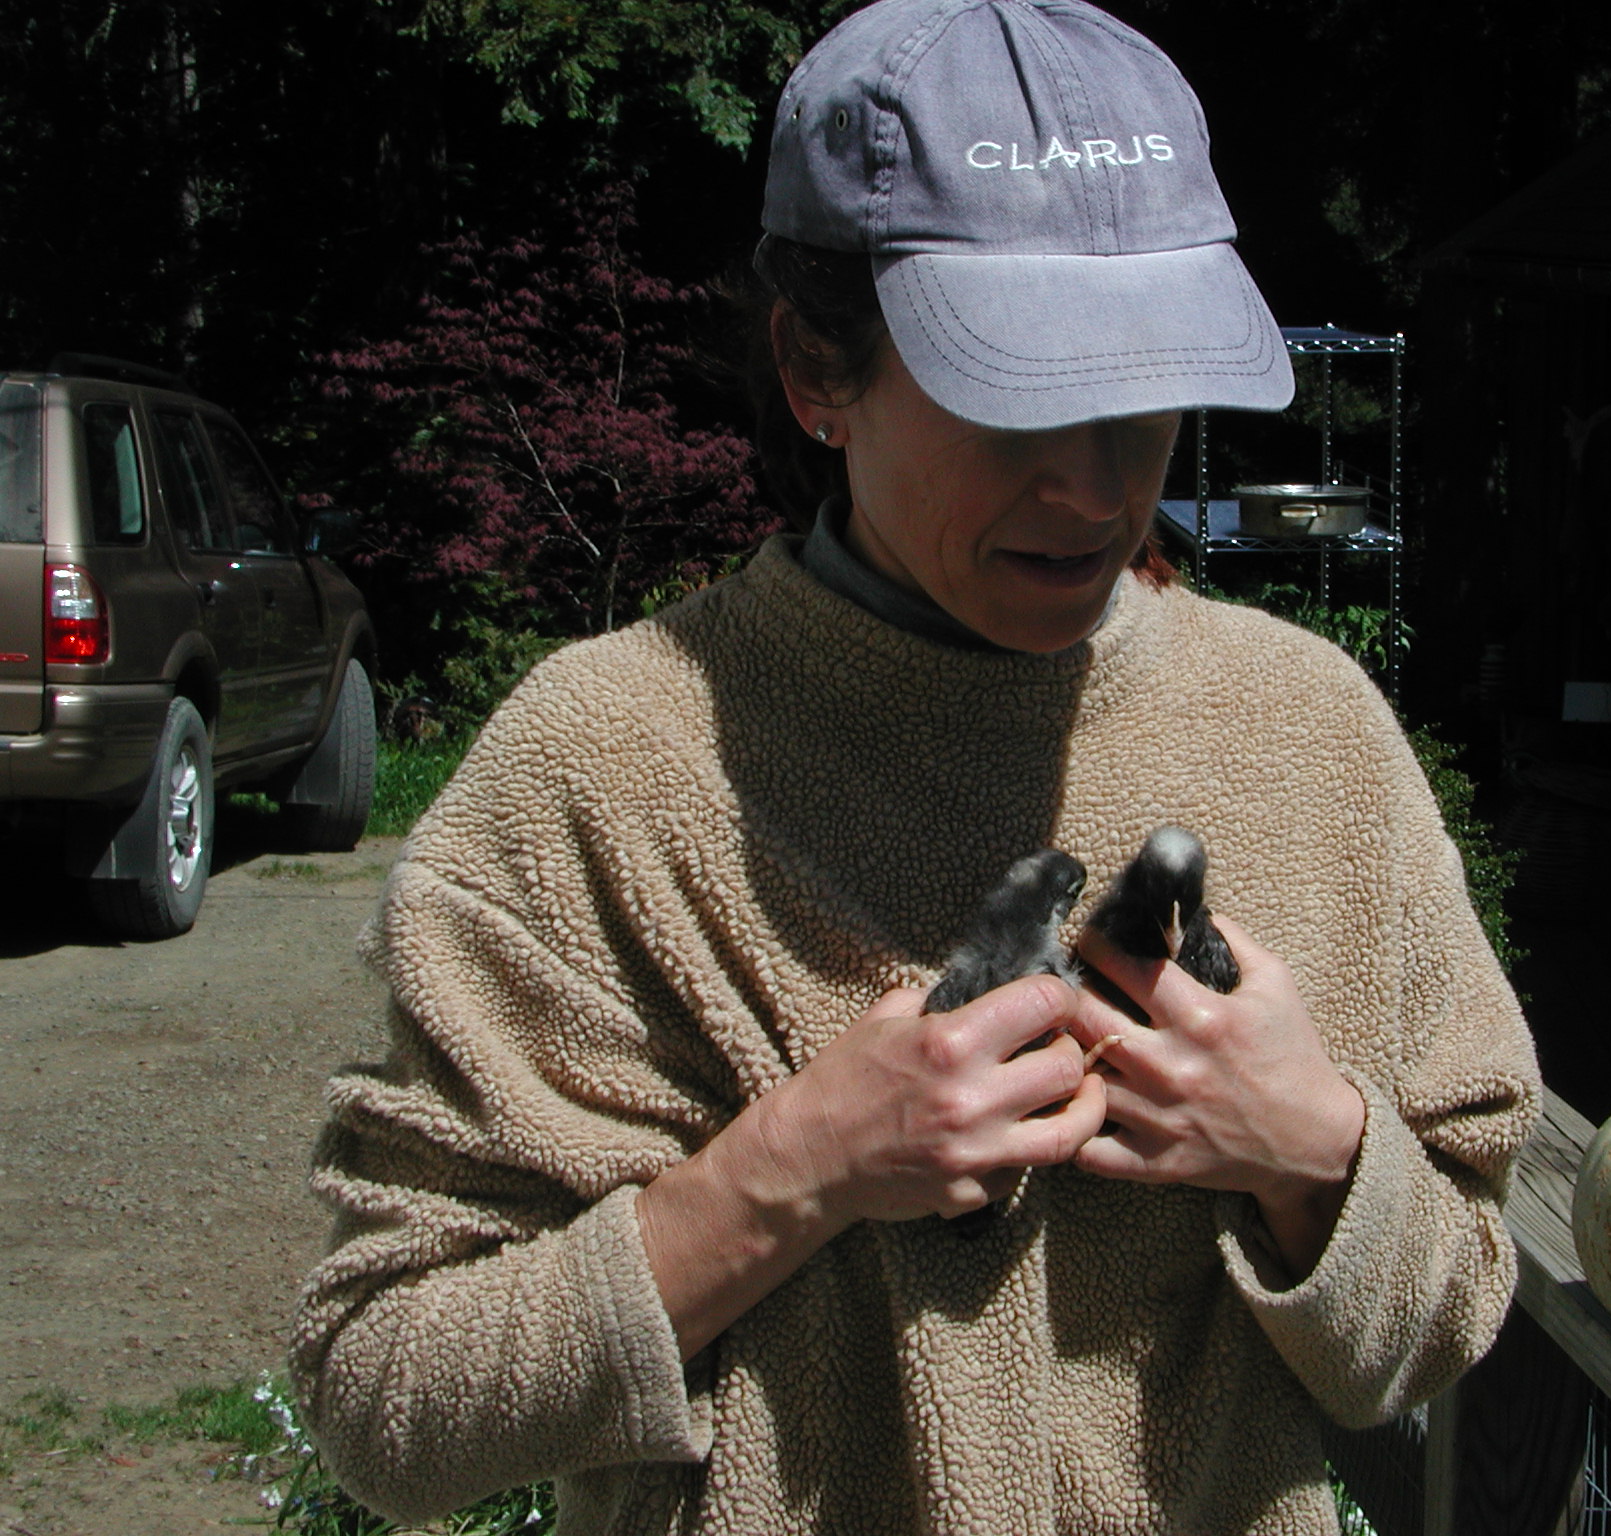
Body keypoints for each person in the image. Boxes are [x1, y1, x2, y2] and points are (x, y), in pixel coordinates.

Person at [291, 2, 1541, 1533]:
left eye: (1142, 388)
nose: (1095, 486)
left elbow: (1448, 1311)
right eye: (1014, 391)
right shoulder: (605, 767)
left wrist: (1314, 1157)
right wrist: (789, 1174)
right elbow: (385, 1396)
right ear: (815, 367)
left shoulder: (1309, 735)